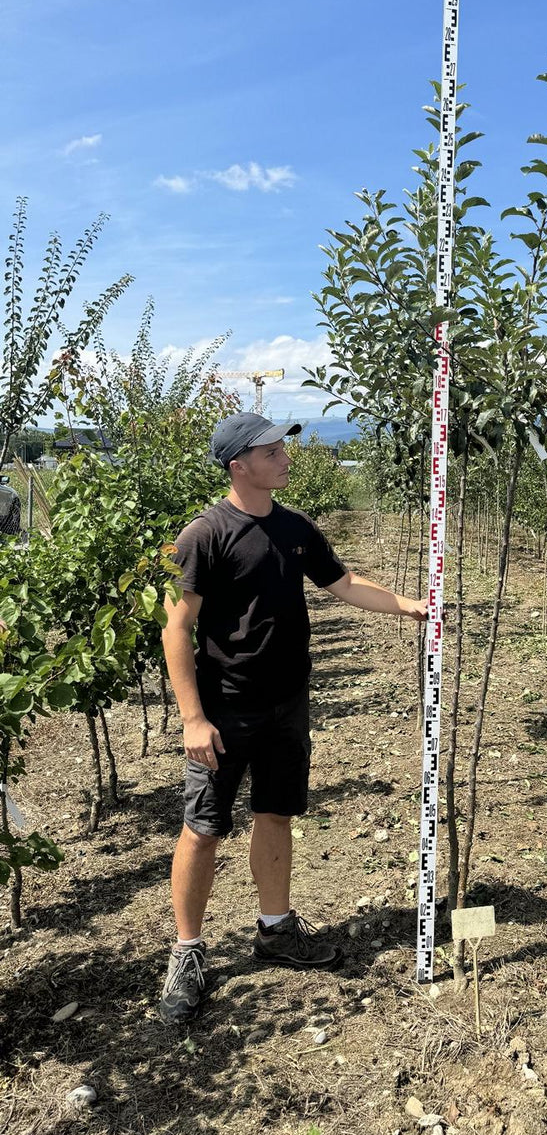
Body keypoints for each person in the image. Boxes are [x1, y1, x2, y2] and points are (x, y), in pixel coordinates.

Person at [159, 412, 427, 1022]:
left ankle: (275, 929)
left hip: (287, 705)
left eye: (282, 447)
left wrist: (407, 605)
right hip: (225, 709)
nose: (285, 457)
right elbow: (178, 627)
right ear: (238, 465)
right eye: (272, 450)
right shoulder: (204, 535)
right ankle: (187, 951)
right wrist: (192, 718)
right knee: (203, 828)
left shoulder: (295, 528)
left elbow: (344, 583)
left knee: (275, 813)